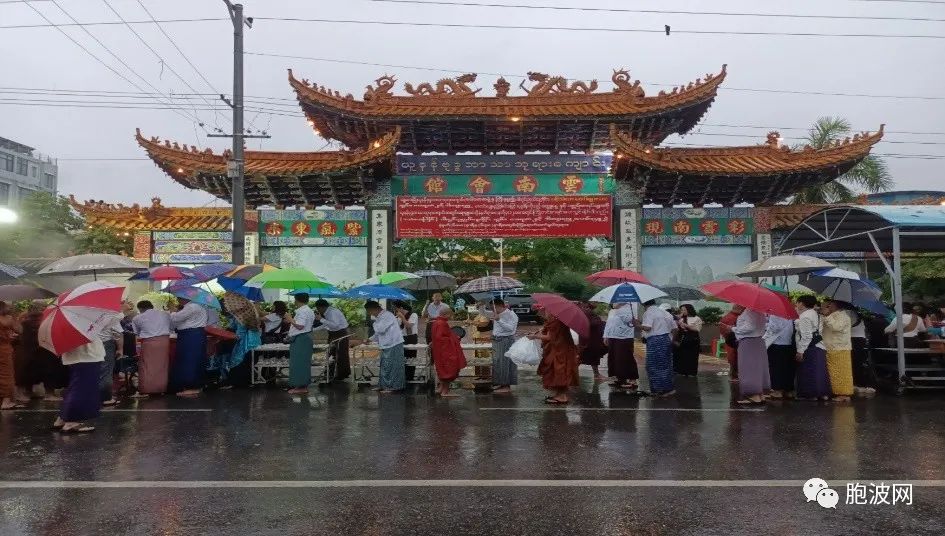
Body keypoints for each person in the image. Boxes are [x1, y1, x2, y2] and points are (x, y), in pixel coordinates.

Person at [17, 301, 67, 401]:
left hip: (28, 352)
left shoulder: (24, 322)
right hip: (46, 351)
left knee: (29, 372)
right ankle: (49, 394)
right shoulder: (46, 320)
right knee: (49, 372)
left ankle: (28, 392)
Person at [53, 339, 105, 433]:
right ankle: (71, 422)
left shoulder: (68, 325)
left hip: (74, 356)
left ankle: (63, 417)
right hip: (88, 356)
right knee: (82, 390)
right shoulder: (83, 324)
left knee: (75, 387)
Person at [530, 313, 579, 404]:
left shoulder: (556, 322)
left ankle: (562, 396)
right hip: (561, 349)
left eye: (545, 311)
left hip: (560, 351)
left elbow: (549, 337)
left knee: (559, 372)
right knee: (556, 372)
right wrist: (539, 333)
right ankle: (559, 394)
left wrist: (535, 336)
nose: (543, 313)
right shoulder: (558, 321)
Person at [635, 300, 677, 397]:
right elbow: (675, 328)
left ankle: (659, 390)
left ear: (643, 303)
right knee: (666, 365)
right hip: (666, 338)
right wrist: (672, 340)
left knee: (653, 366)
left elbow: (648, 328)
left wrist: (637, 324)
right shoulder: (665, 312)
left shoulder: (648, 312)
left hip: (655, 340)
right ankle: (668, 389)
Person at [169, 297, 209, 397]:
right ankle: (195, 385)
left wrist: (172, 311)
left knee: (188, 360)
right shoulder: (197, 306)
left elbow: (176, 318)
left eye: (178, 298)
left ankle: (191, 386)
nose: (178, 300)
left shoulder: (191, 307)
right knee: (193, 359)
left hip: (190, 335)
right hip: (193, 335)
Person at [794, 295, 830, 401]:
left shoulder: (805, 316)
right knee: (820, 371)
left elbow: (806, 336)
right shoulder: (815, 314)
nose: (796, 304)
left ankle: (811, 394)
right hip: (819, 345)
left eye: (797, 302)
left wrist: (800, 351)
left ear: (801, 303)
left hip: (810, 347)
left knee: (809, 370)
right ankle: (823, 393)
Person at [131, 300, 171, 397]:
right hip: (165, 342)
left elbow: (136, 332)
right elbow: (171, 326)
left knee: (147, 365)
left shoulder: (138, 318)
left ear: (140, 309)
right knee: (162, 366)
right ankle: (162, 388)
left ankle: (147, 389)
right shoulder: (165, 314)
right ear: (151, 306)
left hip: (149, 342)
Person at [365, 300, 405, 393]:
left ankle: (393, 387)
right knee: (385, 366)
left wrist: (374, 323)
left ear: (373, 309)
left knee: (393, 367)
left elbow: (380, 329)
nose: (369, 313)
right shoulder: (380, 317)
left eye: (369, 311)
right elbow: (378, 334)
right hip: (386, 344)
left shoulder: (387, 315)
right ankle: (383, 385)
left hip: (393, 344)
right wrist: (370, 339)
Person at [731, 305, 768, 405]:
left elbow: (750, 327)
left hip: (749, 341)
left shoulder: (749, 311)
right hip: (758, 341)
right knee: (757, 367)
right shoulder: (759, 311)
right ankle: (760, 394)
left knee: (748, 367)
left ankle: (753, 395)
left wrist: (734, 329)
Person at [821, 299, 854, 402]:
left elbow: (836, 327)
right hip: (831, 347)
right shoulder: (833, 315)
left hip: (840, 348)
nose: (828, 307)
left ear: (836, 305)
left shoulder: (843, 316)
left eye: (829, 305)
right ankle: (836, 392)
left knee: (841, 373)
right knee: (833, 372)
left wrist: (827, 316)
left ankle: (843, 394)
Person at [429, 310, 467, 397]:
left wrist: (452, 337)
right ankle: (445, 392)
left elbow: (437, 337)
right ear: (446, 314)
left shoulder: (435, 323)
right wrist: (454, 338)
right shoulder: (442, 323)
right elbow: (441, 338)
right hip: (445, 351)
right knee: (449, 369)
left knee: (442, 369)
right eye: (450, 315)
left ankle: (441, 389)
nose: (451, 317)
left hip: (439, 351)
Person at [485, 298, 519, 393]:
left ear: (500, 306)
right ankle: (500, 383)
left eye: (493, 308)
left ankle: (506, 385)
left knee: (505, 363)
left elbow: (510, 329)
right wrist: (481, 307)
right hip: (497, 340)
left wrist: (499, 320)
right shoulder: (497, 314)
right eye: (491, 308)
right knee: (497, 363)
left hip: (506, 340)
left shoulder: (511, 315)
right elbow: (485, 313)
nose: (492, 310)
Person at [313, 299, 351, 382]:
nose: (318, 311)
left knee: (340, 354)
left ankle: (340, 374)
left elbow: (335, 325)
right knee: (331, 353)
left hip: (340, 334)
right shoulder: (327, 312)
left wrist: (321, 319)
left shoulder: (332, 312)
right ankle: (330, 373)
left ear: (321, 307)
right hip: (333, 334)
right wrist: (313, 329)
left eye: (318, 308)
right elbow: (325, 324)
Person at [285, 293, 316, 395]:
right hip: (305, 338)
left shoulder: (303, 311)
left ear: (296, 300)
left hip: (301, 339)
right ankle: (302, 385)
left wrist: (290, 319)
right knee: (302, 362)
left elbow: (300, 326)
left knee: (299, 363)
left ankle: (301, 387)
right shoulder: (308, 310)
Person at [604, 302, 639, 390]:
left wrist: (619, 309)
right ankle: (618, 378)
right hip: (613, 336)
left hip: (624, 337)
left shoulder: (630, 306)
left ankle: (631, 379)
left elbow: (629, 320)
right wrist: (605, 336)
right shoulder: (612, 311)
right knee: (613, 358)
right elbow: (608, 323)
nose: (613, 303)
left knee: (624, 358)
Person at [763, 313, 796, 399]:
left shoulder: (775, 314)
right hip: (788, 342)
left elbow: (775, 328)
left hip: (777, 343)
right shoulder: (788, 313)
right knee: (787, 368)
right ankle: (788, 390)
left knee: (776, 368)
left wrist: (765, 326)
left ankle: (777, 390)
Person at [98, 313, 124, 406]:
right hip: (106, 344)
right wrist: (120, 349)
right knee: (106, 371)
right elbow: (117, 334)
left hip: (90, 345)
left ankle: (91, 396)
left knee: (92, 371)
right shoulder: (111, 315)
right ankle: (105, 398)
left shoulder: (86, 314)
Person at [0, 300, 22, 410]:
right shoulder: (7, 318)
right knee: (6, 374)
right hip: (3, 349)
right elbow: (19, 330)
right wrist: (14, 316)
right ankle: (6, 401)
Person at [849, 309, 876, 396]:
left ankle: (859, 383)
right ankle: (860, 383)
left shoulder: (848, 313)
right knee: (858, 362)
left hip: (853, 339)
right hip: (860, 338)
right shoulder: (857, 314)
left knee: (855, 362)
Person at [578, 302, 608, 381]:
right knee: (581, 358)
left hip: (593, 340)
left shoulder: (591, 314)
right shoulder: (585, 315)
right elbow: (593, 324)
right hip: (588, 341)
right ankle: (569, 373)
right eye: (585, 307)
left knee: (593, 358)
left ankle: (596, 374)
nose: (587, 309)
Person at [673, 304, 703, 377]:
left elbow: (697, 329)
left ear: (689, 310)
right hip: (683, 338)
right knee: (682, 355)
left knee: (692, 356)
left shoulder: (696, 318)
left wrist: (686, 325)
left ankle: (691, 372)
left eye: (684, 310)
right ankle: (682, 371)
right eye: (682, 310)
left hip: (692, 339)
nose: (683, 311)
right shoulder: (681, 318)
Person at [467, 300, 493, 381]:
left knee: (484, 357)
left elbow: (483, 324)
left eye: (479, 306)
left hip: (484, 338)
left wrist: (472, 322)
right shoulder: (479, 314)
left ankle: (486, 375)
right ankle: (478, 374)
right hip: (477, 337)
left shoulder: (486, 314)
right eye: (477, 306)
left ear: (483, 306)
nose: (477, 307)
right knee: (477, 357)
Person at [396, 302, 419, 381]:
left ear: (401, 308)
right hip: (402, 337)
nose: (396, 311)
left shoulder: (413, 315)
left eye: (397, 309)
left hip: (411, 337)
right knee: (402, 357)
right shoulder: (398, 317)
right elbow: (398, 328)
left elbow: (409, 325)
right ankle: (403, 376)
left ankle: (410, 377)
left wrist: (402, 317)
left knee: (411, 357)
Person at [719, 307, 742, 381]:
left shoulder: (728, 316)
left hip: (731, 341)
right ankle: (734, 376)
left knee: (733, 359)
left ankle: (734, 375)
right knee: (734, 358)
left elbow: (723, 330)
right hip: (734, 341)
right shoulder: (732, 317)